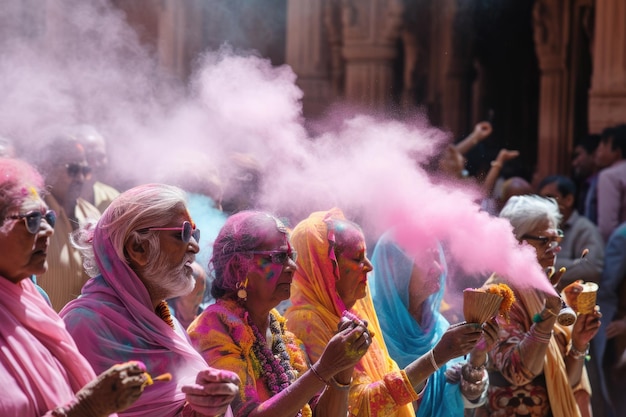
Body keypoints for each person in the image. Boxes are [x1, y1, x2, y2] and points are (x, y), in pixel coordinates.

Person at [59, 183, 239, 417]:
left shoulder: (165, 320)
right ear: (138, 247)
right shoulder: (85, 324)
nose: (194, 248)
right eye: (182, 234)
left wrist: (208, 405)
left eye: (195, 234)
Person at [285, 208, 485, 417]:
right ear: (324, 268)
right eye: (357, 258)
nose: (369, 267)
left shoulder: (354, 314)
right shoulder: (306, 323)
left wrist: (476, 359)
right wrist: (436, 357)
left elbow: (386, 379)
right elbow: (356, 407)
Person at [0, 157, 147, 416]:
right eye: (32, 219)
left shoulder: (35, 302)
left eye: (49, 218)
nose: (47, 230)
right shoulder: (82, 318)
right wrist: (85, 408)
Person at [187, 210, 370, 417]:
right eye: (279, 257)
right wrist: (324, 368)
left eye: (291, 257)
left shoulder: (281, 333)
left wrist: (344, 367)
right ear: (239, 266)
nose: (292, 266)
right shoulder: (213, 328)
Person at [474, 195, 602, 417]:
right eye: (544, 240)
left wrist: (580, 343)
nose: (555, 249)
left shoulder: (545, 288)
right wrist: (546, 320)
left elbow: (566, 380)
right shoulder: (500, 294)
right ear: (514, 241)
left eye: (556, 239)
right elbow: (518, 373)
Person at [370, 230, 499, 416]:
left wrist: (478, 357)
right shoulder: (372, 331)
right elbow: (370, 402)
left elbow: (467, 401)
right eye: (425, 260)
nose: (438, 269)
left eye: (437, 257)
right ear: (396, 269)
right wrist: (436, 358)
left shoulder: (439, 326)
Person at [33, 133, 101, 311]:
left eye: (85, 171)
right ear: (46, 167)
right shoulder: (31, 215)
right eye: (72, 169)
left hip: (81, 333)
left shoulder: (92, 214)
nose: (80, 178)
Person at [537, 175, 604, 289]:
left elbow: (591, 268)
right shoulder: (539, 228)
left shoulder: (585, 229)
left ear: (568, 200)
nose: (544, 204)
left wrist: (543, 264)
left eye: (550, 198)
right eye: (542, 199)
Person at [72, 124, 121, 213]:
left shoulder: (113, 198)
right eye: (89, 157)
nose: (95, 164)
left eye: (100, 157)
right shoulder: (64, 201)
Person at [596, 124, 626, 241]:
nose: (599, 149)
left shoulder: (610, 176)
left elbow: (607, 227)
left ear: (617, 151)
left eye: (604, 144)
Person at [168, 261, 207, 329]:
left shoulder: (206, 319)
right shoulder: (164, 317)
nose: (200, 299)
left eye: (202, 292)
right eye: (198, 294)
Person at [571, 134, 601, 222]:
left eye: (578, 155)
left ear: (594, 155)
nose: (574, 163)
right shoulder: (585, 184)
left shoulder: (603, 183)